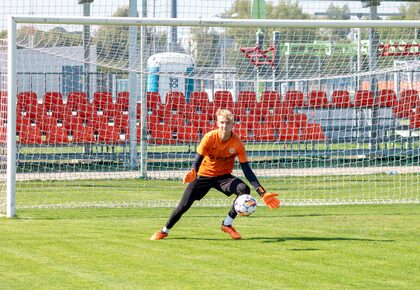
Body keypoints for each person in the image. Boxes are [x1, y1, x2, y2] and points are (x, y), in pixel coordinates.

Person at [150, 109, 280, 240]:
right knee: (183, 206)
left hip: (223, 177)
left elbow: (247, 170)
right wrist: (193, 172)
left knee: (244, 189)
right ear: (217, 123)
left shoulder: (237, 143)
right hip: (203, 176)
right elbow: (198, 159)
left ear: (232, 124)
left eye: (227, 123)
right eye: (222, 122)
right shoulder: (209, 137)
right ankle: (164, 230)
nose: (224, 126)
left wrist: (262, 192)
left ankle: (227, 224)